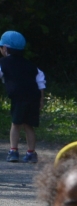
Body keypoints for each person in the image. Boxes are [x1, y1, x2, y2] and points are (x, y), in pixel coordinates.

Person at [0, 31, 44, 163]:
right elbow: (40, 80)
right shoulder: (31, 65)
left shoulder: (3, 63)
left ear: (5, 48)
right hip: (33, 97)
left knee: (16, 124)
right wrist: (41, 100)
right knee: (28, 125)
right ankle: (31, 153)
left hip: (18, 97)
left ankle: (13, 151)